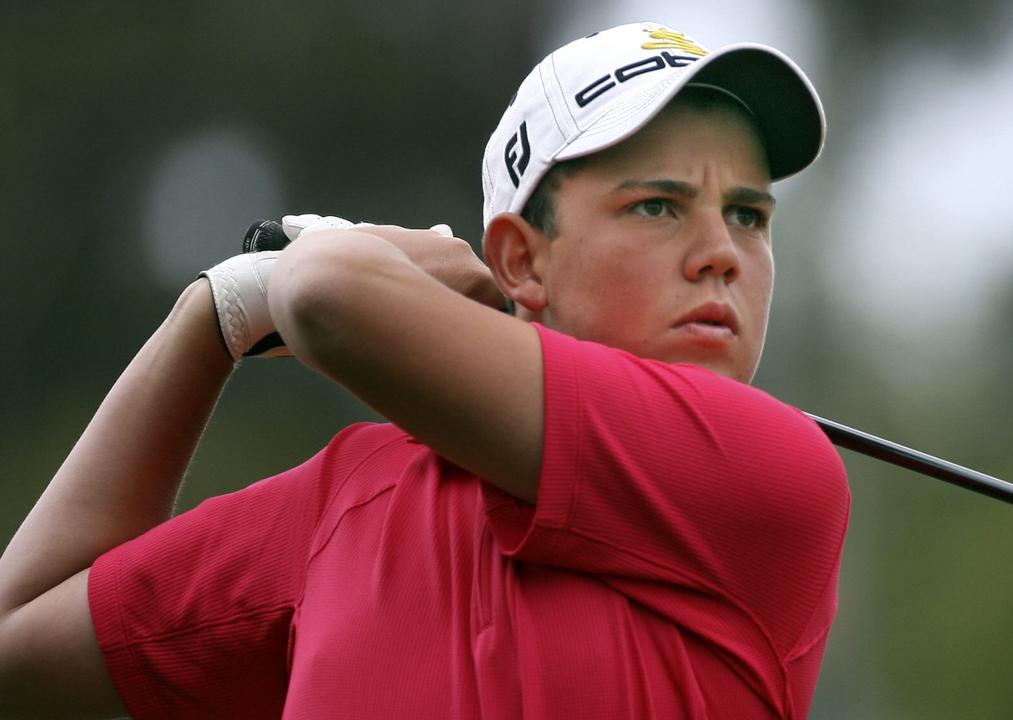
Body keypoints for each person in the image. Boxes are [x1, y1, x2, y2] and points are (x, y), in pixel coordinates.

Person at [0, 21, 849, 719]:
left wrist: (340, 270)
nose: (721, 256)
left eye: (748, 216)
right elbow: (16, 646)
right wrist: (214, 314)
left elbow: (328, 291)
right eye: (658, 206)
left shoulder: (772, 473)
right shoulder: (345, 499)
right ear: (521, 261)